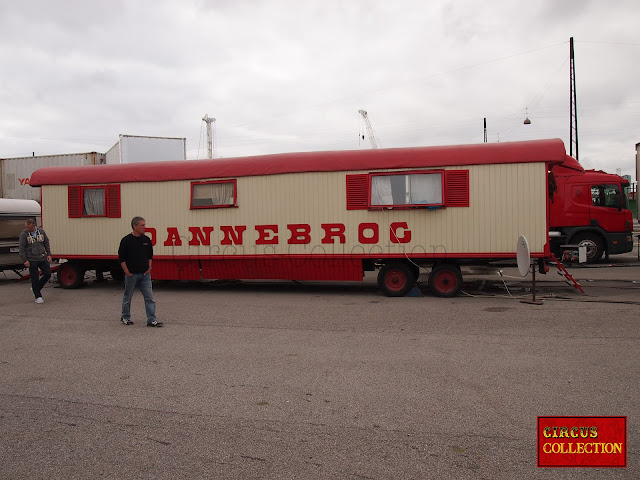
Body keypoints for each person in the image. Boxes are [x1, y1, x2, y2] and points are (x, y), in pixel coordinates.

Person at [118, 216, 163, 327]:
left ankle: (152, 320)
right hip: (132, 275)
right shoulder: (126, 240)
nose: (144, 227)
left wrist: (149, 268)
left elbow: (150, 256)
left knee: (149, 298)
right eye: (142, 225)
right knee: (128, 297)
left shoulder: (146, 240)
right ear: (135, 226)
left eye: (144, 225)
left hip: (144, 275)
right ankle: (125, 317)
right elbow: (121, 258)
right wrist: (127, 272)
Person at [19, 218, 52, 304]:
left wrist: (48, 254)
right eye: (27, 228)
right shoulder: (24, 234)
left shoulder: (41, 231)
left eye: (30, 228)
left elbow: (46, 242)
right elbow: (22, 248)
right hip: (31, 259)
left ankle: (36, 288)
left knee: (48, 273)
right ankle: (38, 296)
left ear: (34, 226)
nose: (28, 229)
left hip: (42, 257)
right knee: (34, 278)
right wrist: (25, 260)